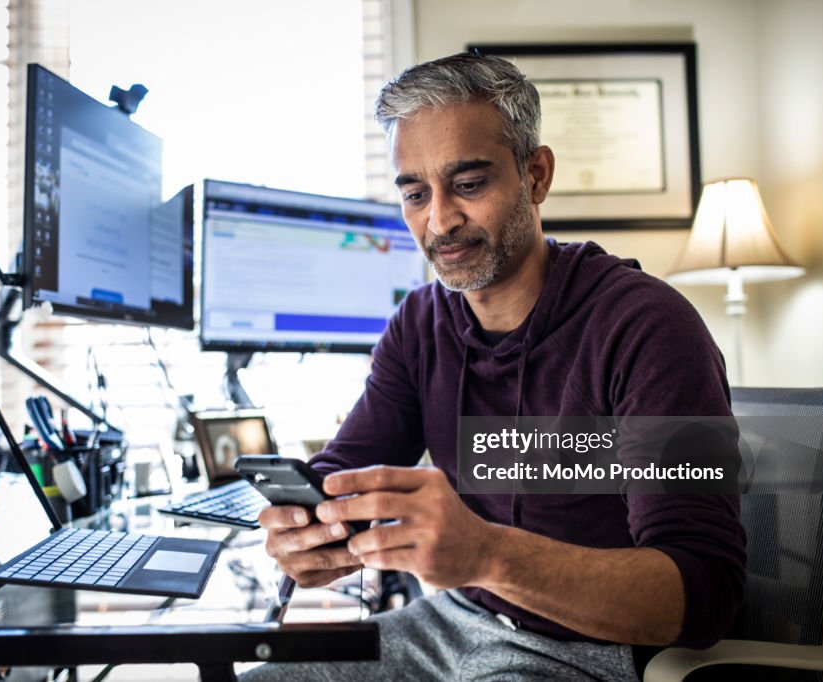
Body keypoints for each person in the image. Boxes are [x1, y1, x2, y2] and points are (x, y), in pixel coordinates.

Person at [242, 52, 746, 681]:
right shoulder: (420, 323)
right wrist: (306, 529)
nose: (439, 221)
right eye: (415, 194)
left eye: (470, 184)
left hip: (592, 650)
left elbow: (706, 593)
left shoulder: (650, 327)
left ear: (535, 176)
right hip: (450, 620)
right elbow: (347, 471)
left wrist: (486, 553)